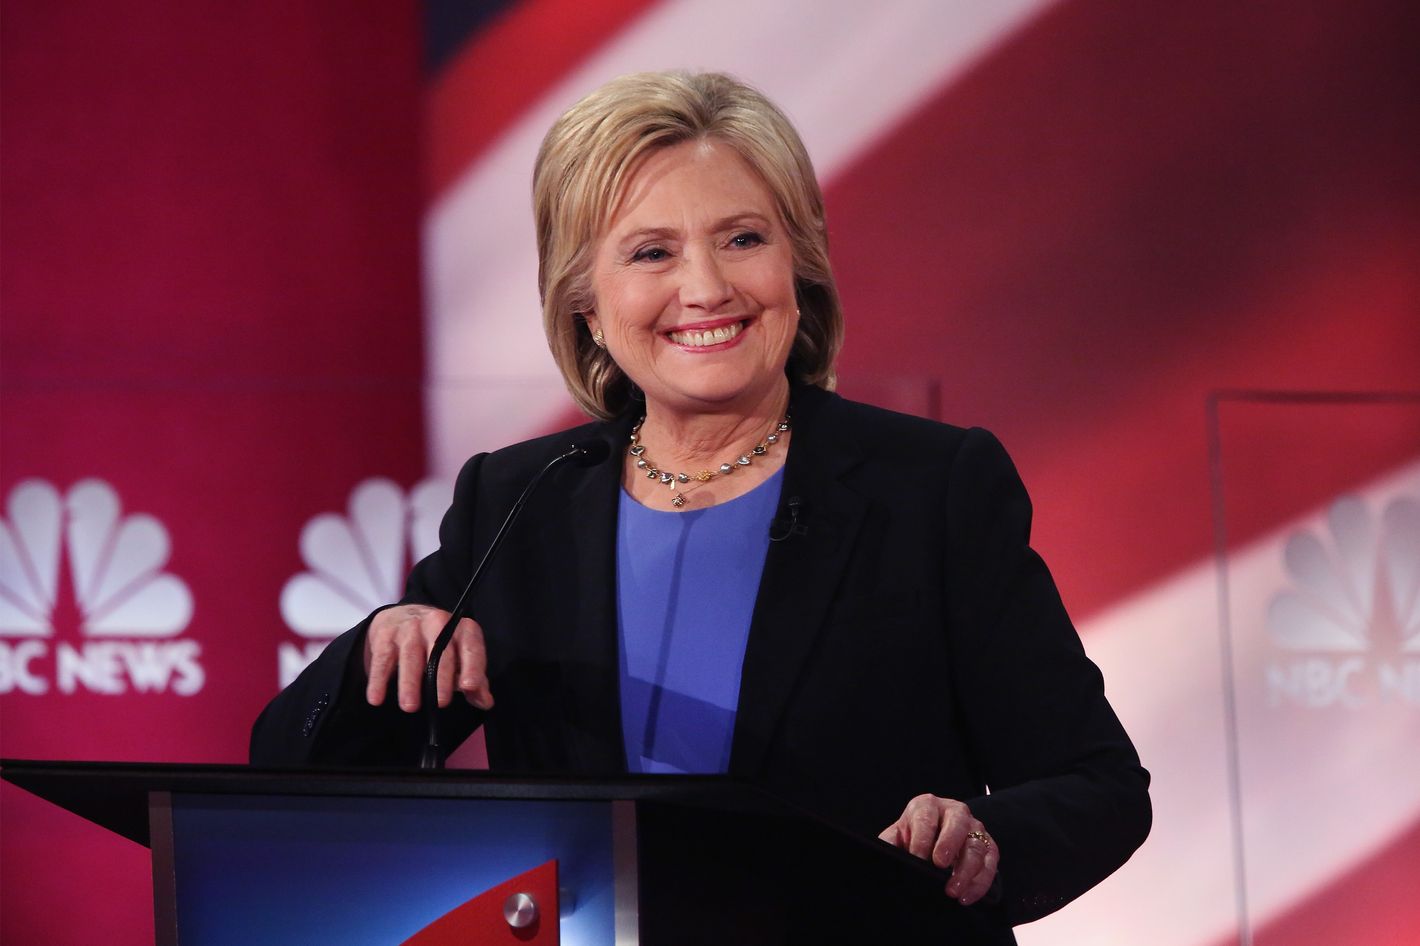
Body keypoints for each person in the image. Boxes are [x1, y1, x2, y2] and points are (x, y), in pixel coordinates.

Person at [251, 71, 1150, 934]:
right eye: (652, 253)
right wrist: (382, 649)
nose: (708, 288)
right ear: (587, 305)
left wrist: (982, 841)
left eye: (744, 239)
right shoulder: (520, 501)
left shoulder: (931, 487)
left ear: (798, 262)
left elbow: (1098, 784)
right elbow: (297, 775)